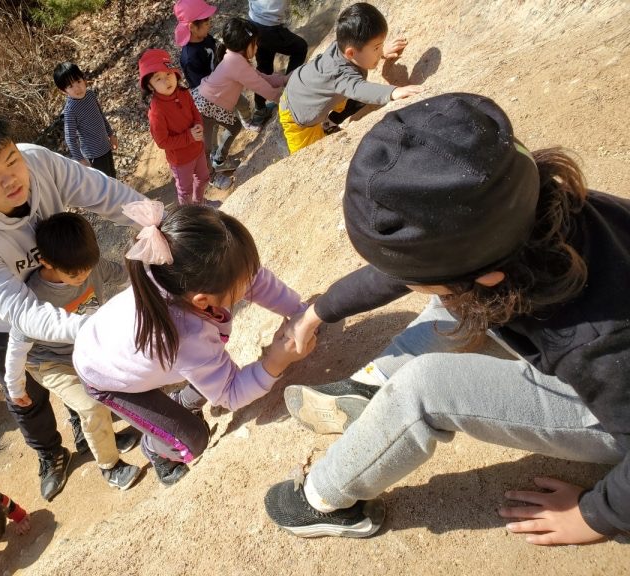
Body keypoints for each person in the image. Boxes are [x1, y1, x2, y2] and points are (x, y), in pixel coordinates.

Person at [263, 92, 630, 544]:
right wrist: (315, 314)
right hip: (513, 292)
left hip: (605, 414)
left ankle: (320, 500)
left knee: (425, 388)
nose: (401, 280)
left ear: (491, 275)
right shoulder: (523, 206)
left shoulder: (593, 343)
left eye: (413, 276)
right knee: (454, 298)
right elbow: (416, 272)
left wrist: (597, 515)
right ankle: (369, 387)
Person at [0, 106, 146, 501]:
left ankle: (86, 432)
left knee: (76, 368)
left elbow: (104, 192)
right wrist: (93, 325)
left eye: (10, 160)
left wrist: (153, 221)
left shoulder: (38, 161)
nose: (10, 178)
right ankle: (50, 454)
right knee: (26, 393)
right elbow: (23, 315)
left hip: (63, 291)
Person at [73, 201, 315, 486]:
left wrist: (299, 313)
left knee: (203, 372)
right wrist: (276, 362)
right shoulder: (186, 336)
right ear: (202, 301)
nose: (252, 281)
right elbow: (230, 393)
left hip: (120, 346)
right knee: (194, 439)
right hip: (106, 378)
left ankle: (181, 401)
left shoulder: (175, 268)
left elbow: (255, 279)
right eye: (244, 282)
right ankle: (156, 449)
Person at [4, 213, 141, 490]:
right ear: (47, 262)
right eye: (74, 274)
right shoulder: (33, 298)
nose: (83, 278)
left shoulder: (89, 266)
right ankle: (110, 466)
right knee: (91, 405)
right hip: (50, 362)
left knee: (120, 380)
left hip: (86, 347)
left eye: (87, 269)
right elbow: (17, 345)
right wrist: (14, 386)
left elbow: (127, 275)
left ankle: (108, 436)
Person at [279, 2, 422, 154]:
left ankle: (330, 122)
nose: (380, 50)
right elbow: (357, 88)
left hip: (308, 89)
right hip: (297, 117)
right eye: (376, 48)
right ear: (351, 53)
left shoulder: (341, 47)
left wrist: (381, 52)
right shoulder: (339, 75)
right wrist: (393, 92)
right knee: (307, 155)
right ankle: (326, 125)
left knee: (352, 98)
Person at [192, 17, 287, 188]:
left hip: (214, 105)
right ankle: (212, 176)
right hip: (204, 108)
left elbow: (260, 78)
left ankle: (219, 159)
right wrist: (286, 98)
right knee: (203, 148)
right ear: (245, 45)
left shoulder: (235, 58)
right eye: (255, 43)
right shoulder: (236, 63)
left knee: (235, 126)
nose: (257, 47)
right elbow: (263, 88)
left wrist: (283, 80)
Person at [175, 0, 261, 139]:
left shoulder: (205, 37)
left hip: (224, 82)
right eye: (207, 23)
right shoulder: (189, 58)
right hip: (210, 98)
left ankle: (247, 122)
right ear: (192, 27)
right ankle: (214, 151)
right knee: (212, 125)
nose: (210, 25)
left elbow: (217, 52)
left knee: (243, 103)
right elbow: (201, 86)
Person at [139, 49, 210, 205]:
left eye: (168, 74)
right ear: (150, 86)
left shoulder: (183, 92)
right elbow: (162, 142)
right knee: (185, 191)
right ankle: (190, 217)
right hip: (181, 160)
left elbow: (195, 112)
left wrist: (198, 125)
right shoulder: (156, 111)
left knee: (204, 178)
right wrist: (189, 136)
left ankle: (200, 203)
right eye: (158, 78)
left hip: (197, 149)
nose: (166, 81)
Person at [53, 61, 119, 178]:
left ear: (84, 79)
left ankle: (120, 195)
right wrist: (81, 159)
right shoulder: (70, 110)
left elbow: (101, 116)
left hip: (105, 145)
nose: (77, 88)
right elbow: (70, 138)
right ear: (64, 91)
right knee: (104, 183)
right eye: (70, 86)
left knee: (112, 176)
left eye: (78, 81)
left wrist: (111, 135)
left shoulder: (90, 95)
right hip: (93, 155)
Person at [247, 1, 308, 124]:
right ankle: (291, 95)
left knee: (264, 66)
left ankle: (260, 109)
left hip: (254, 22)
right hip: (269, 26)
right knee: (300, 48)